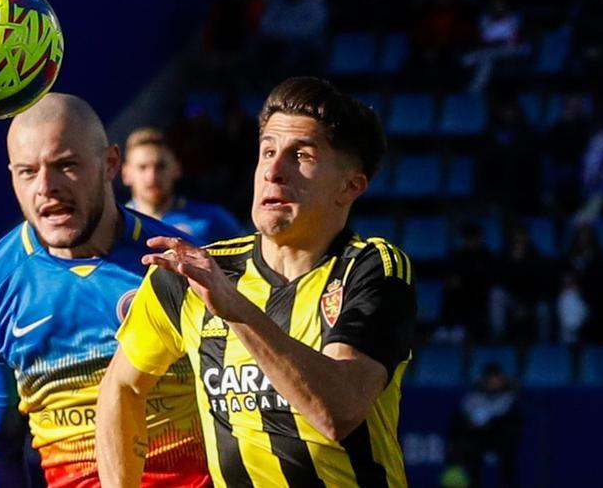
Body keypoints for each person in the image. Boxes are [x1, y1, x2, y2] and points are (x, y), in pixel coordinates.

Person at [98, 77, 416, 486]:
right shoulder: (191, 276)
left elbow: (338, 411)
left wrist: (239, 311)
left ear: (349, 186)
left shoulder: (372, 269)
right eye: (267, 151)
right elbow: (120, 389)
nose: (273, 170)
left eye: (301, 155)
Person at [0, 94, 210, 487]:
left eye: (66, 165)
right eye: (27, 172)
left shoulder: (181, 264)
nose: (46, 187)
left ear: (109, 164)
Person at [122, 127, 246, 245]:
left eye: (160, 166)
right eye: (142, 167)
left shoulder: (214, 219)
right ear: (126, 174)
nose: (152, 176)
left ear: (177, 168)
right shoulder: (116, 227)